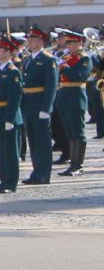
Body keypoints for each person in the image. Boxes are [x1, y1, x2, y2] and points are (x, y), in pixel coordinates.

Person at [21, 25, 58, 184]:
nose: (29, 41)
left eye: (33, 38)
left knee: (42, 141)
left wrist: (46, 109)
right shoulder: (27, 60)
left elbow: (51, 87)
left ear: (41, 41)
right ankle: (36, 172)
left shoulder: (48, 60)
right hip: (28, 105)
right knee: (33, 140)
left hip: (40, 104)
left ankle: (44, 173)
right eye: (29, 38)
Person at [0, 37, 23, 194]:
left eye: (1, 50)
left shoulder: (13, 72)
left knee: (10, 151)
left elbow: (14, 98)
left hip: (8, 116)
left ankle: (11, 182)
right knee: (2, 151)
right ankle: (3, 181)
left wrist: (10, 119)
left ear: (9, 53)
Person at [55, 28, 92, 175]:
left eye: (72, 42)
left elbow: (80, 76)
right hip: (64, 97)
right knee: (70, 132)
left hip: (76, 98)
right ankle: (72, 162)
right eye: (68, 42)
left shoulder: (84, 59)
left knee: (78, 132)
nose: (69, 45)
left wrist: (64, 67)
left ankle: (78, 165)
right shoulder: (67, 57)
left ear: (79, 43)